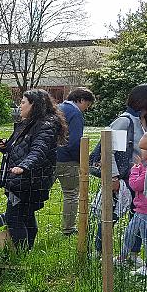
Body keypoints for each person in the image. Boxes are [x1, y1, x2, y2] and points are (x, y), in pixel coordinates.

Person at [0, 89, 68, 250]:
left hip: (30, 179)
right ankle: (27, 251)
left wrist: (24, 166)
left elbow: (39, 151)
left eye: (23, 102)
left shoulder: (45, 125)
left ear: (34, 105)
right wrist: (4, 146)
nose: (20, 106)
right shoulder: (28, 123)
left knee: (13, 217)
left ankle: (22, 253)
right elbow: (19, 147)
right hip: (22, 177)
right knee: (26, 215)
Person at [91, 83, 147, 255]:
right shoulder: (124, 121)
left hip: (140, 179)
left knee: (139, 218)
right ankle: (100, 252)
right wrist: (113, 178)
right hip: (123, 179)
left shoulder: (145, 121)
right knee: (110, 216)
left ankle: (132, 253)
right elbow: (108, 151)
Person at [55, 87, 96, 235]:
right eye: (87, 105)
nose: (87, 109)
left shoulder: (57, 108)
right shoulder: (75, 113)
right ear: (81, 100)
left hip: (49, 157)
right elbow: (75, 142)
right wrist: (82, 161)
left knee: (38, 192)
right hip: (67, 160)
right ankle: (68, 229)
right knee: (71, 194)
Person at [118, 130, 147, 275]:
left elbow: (136, 185)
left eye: (143, 150)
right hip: (139, 209)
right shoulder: (145, 167)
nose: (140, 152)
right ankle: (122, 257)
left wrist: (135, 170)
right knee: (129, 233)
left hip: (146, 212)